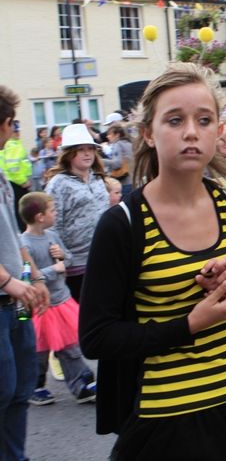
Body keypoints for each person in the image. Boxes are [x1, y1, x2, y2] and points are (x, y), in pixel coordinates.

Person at [79, 63, 226, 458]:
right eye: (174, 120)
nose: (191, 133)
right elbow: (97, 337)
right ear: (148, 133)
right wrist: (188, 325)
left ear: (218, 130)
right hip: (168, 417)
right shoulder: (123, 224)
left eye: (204, 120)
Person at [0, 84, 50, 461]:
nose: (14, 131)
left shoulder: (2, 178)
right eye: (14, 124)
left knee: (20, 386)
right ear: (5, 124)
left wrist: (33, 276)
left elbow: (11, 235)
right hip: (3, 299)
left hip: (15, 302)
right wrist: (9, 282)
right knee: (2, 388)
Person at [18, 192, 96, 406]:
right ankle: (34, 387)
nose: (55, 214)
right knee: (39, 353)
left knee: (70, 347)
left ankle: (82, 385)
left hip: (62, 302)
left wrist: (61, 254)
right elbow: (24, 276)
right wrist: (54, 269)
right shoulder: (25, 244)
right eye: (52, 211)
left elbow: (68, 258)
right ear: (40, 216)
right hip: (41, 308)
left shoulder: (52, 236)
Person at [44, 123, 109, 303]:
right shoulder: (58, 183)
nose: (87, 153)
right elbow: (52, 225)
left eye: (90, 149)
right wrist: (64, 258)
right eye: (81, 150)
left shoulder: (98, 178)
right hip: (75, 263)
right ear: (69, 154)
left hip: (102, 256)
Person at [104, 123, 133, 196]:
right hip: (132, 180)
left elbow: (117, 164)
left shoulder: (118, 145)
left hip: (124, 181)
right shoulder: (129, 143)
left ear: (117, 135)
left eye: (110, 134)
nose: (107, 136)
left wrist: (102, 161)